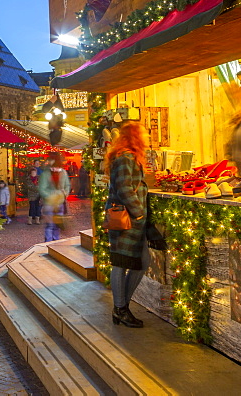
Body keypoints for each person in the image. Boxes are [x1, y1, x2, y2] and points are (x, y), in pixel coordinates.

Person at [104, 121, 149, 328]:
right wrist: (139, 214)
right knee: (121, 263)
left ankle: (122, 306)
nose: (147, 137)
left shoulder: (128, 157)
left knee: (138, 262)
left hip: (129, 219)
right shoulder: (126, 157)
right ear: (135, 137)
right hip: (126, 219)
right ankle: (121, 308)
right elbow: (124, 188)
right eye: (143, 134)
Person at [39, 152, 70, 241]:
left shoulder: (63, 173)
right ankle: (48, 243)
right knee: (50, 225)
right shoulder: (46, 174)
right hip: (49, 203)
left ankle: (55, 241)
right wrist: (51, 196)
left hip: (59, 202)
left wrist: (64, 194)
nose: (56, 169)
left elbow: (67, 185)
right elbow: (42, 188)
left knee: (58, 224)